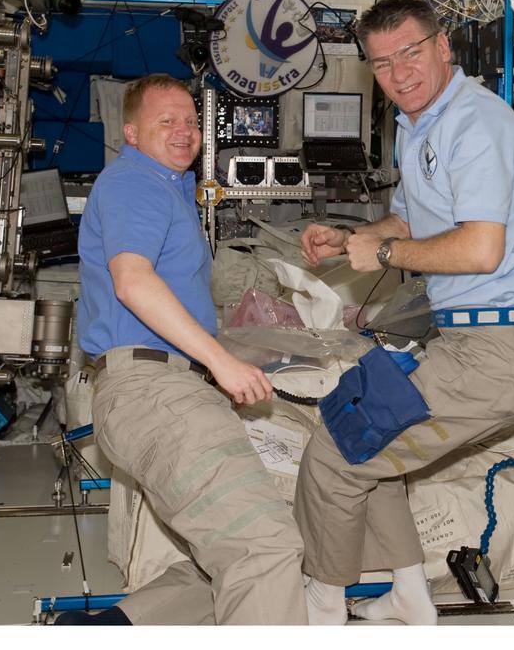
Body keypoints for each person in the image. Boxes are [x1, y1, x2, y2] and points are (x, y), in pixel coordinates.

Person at [293, 0, 514, 625]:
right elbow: (419, 220)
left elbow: (478, 247)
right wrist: (348, 238)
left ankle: (320, 609)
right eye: (382, 63)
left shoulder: (475, 121)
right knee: (361, 425)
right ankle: (411, 596)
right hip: (463, 344)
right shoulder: (417, 126)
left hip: (492, 354)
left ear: (444, 46)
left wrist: (385, 251)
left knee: (336, 455)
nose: (399, 72)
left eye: (411, 52)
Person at [74, 73, 307, 625]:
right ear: (131, 132)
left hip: (159, 388)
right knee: (265, 549)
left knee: (216, 562)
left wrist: (226, 354)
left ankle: (108, 630)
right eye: (167, 121)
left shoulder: (166, 187)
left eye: (192, 121)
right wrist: (219, 361)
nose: (185, 131)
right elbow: (132, 281)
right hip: (154, 392)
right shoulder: (135, 183)